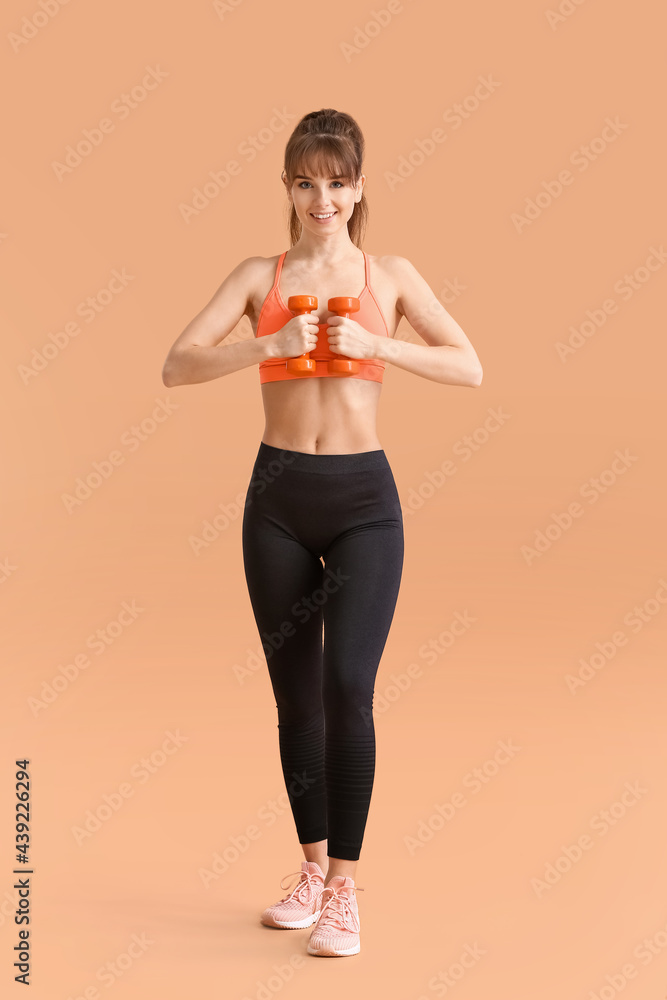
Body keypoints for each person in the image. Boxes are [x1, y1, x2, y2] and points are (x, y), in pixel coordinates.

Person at [161, 108, 483, 957]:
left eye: (337, 181)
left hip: (361, 498)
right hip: (275, 496)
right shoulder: (257, 274)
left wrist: (380, 343)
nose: (321, 197)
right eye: (306, 180)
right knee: (294, 697)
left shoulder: (393, 274)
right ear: (288, 187)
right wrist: (267, 342)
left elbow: (468, 365)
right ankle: (309, 873)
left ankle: (345, 889)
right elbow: (176, 365)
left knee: (348, 687)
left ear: (358, 187)